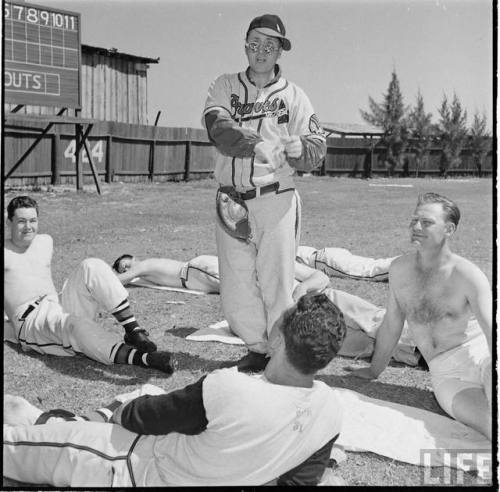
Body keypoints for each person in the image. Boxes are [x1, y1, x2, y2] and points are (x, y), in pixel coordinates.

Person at [4, 293, 346, 487]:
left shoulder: (233, 388)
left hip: (137, 467)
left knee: (15, 447)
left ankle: (51, 424)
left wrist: (120, 412)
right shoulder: (330, 410)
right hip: (194, 469)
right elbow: (298, 483)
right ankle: (54, 420)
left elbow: (145, 418)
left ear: (279, 339)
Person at [202, 14, 327, 372]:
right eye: (255, 43)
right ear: (245, 45)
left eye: (270, 46)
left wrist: (298, 151)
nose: (261, 51)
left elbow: (317, 148)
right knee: (237, 284)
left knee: (277, 283)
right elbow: (217, 126)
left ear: (279, 52)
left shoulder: (295, 95)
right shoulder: (224, 85)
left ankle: (281, 352)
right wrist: (261, 144)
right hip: (232, 198)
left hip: (276, 198)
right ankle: (258, 348)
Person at [347, 193, 492, 440]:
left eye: (426, 223)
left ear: (449, 229)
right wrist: (374, 371)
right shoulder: (399, 270)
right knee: (490, 426)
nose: (416, 227)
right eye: (414, 220)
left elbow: (492, 330)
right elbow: (392, 324)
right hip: (446, 376)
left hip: (481, 358)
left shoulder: (468, 275)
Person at [3, 196, 174, 374]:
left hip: (57, 302)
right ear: (9, 222)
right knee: (75, 325)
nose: (28, 227)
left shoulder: (45, 241)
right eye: (21, 221)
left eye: (33, 220)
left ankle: (133, 330)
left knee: (90, 265)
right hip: (31, 320)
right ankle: (144, 359)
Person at [111, 244, 396, 293]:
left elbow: (124, 278)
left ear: (134, 258)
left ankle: (307, 284)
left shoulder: (145, 265)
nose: (128, 268)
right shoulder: (148, 271)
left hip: (197, 271)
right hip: (197, 275)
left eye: (127, 263)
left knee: (257, 278)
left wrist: (110, 276)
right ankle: (306, 284)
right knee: (259, 278)